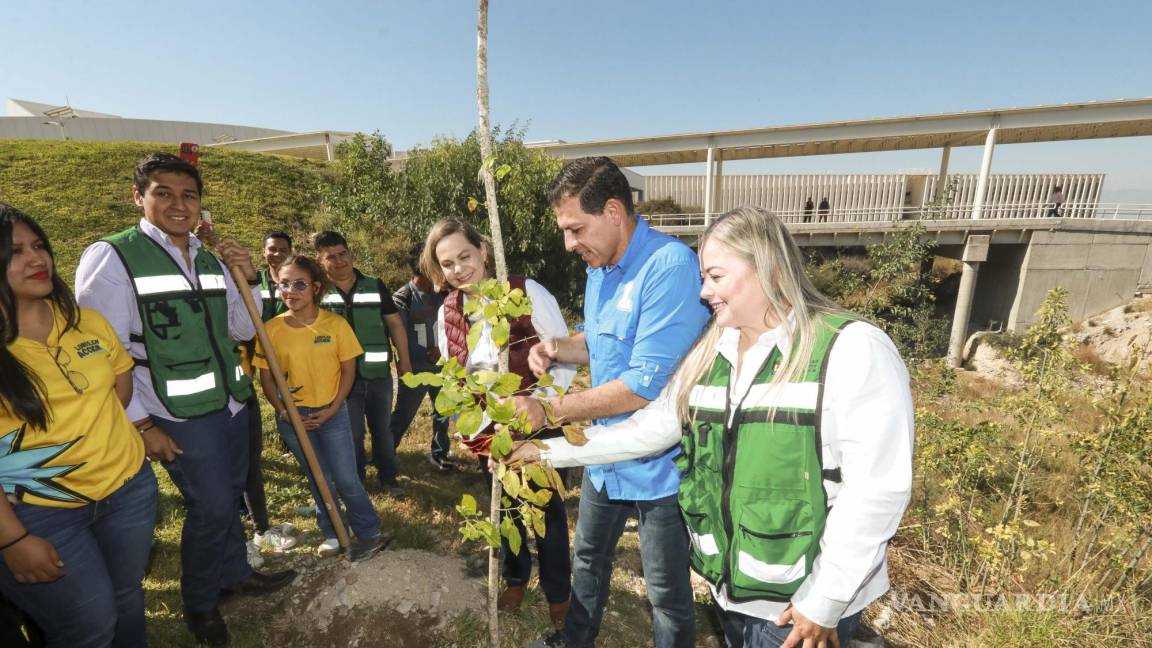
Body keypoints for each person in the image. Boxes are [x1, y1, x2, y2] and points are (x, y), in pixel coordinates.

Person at [511, 206, 914, 648]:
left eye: (716, 277)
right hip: (732, 596)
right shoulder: (712, 352)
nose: (704, 292)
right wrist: (547, 452)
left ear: (769, 267)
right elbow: (645, 431)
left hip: (798, 607)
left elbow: (877, 490)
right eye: (705, 278)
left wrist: (825, 601)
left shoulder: (851, 348)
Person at [74, 153, 294, 646]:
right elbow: (99, 351)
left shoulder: (212, 255)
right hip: (174, 411)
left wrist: (249, 279)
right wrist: (141, 424)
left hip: (231, 400)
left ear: (200, 203)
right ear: (139, 197)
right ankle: (200, 604)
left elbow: (242, 328)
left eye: (188, 195)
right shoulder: (113, 256)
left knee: (231, 493)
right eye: (164, 193)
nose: (179, 204)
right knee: (213, 506)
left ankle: (234, 571)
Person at [519, 157, 711, 648]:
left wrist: (549, 412)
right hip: (606, 452)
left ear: (613, 211)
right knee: (589, 557)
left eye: (575, 229)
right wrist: (560, 346)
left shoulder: (669, 267)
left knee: (665, 588)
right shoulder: (600, 265)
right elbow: (606, 342)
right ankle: (576, 639)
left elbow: (641, 385)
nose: (569, 244)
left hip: (660, 464)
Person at [0, 205, 159, 648]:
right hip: (38, 514)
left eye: (38, 246)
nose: (37, 259)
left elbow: (118, 394)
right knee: (88, 626)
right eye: (14, 252)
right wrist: (12, 540)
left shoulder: (87, 322)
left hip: (128, 489)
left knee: (127, 597)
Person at [422, 219, 576, 626]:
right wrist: (471, 426)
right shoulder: (449, 311)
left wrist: (540, 403)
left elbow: (562, 355)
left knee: (547, 512)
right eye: (448, 263)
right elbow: (456, 374)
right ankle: (515, 577)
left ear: (483, 251)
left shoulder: (524, 292)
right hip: (487, 430)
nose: (458, 269)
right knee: (503, 506)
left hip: (536, 419)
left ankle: (559, 592)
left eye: (464, 256)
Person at [253, 255, 385, 562]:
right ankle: (332, 531)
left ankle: (369, 532)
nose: (291, 291)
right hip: (293, 418)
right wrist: (285, 412)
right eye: (284, 284)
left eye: (299, 284)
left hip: (332, 413)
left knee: (346, 477)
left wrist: (333, 408)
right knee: (318, 477)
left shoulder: (335, 325)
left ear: (316, 288)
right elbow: (267, 378)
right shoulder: (271, 330)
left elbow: (349, 372)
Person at [312, 232, 412, 496]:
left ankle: (388, 478)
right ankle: (355, 481)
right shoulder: (317, 292)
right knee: (352, 434)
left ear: (350, 253)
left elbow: (394, 323)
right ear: (320, 261)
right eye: (331, 257)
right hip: (341, 380)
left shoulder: (374, 284)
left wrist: (404, 361)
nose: (339, 260)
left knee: (383, 431)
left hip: (378, 375)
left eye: (342, 253)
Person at [241, 230, 297, 560]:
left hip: (286, 349)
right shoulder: (253, 281)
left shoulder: (290, 279)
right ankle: (253, 526)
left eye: (282, 250)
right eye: (271, 250)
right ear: (263, 253)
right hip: (257, 353)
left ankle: (288, 438)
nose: (275, 255)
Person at [389, 245, 452, 471]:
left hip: (442, 368)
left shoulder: (444, 293)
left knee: (443, 413)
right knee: (403, 416)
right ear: (425, 267)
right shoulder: (402, 298)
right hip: (415, 370)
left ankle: (440, 454)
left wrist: (442, 350)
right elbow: (399, 337)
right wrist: (406, 368)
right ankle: (385, 457)